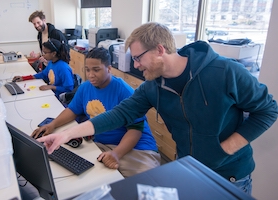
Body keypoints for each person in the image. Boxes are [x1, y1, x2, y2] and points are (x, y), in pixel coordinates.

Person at [38, 22, 278, 194]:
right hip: (188, 167)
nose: (135, 64)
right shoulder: (152, 86)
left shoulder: (225, 72)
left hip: (231, 174)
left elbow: (268, 110)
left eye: (138, 57)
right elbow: (119, 115)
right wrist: (66, 134)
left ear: (160, 50)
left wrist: (225, 149)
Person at [33, 47, 160, 177]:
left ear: (109, 69)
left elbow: (136, 129)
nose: (90, 74)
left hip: (135, 147)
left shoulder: (123, 90)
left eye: (96, 70)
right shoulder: (85, 88)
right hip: (102, 144)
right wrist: (52, 124)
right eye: (87, 70)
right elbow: (72, 110)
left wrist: (116, 153)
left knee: (147, 181)